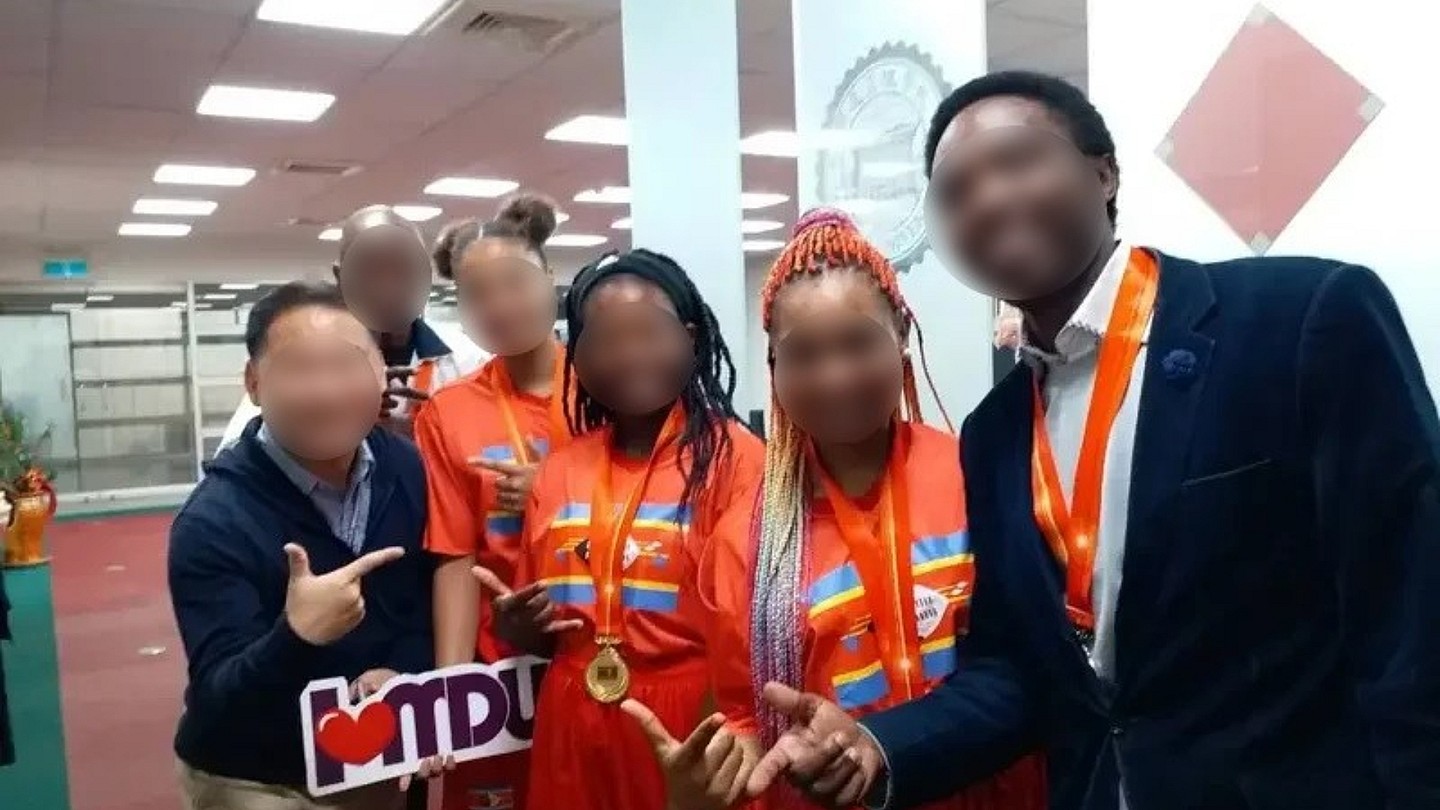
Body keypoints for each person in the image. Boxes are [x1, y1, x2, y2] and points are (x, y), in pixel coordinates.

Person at [750, 71, 1440, 810]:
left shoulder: (1297, 321)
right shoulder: (995, 434)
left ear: (1104, 173)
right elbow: (1020, 670)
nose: (987, 198)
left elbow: (1413, 609)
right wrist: (881, 745)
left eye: (1016, 160)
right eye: (955, 192)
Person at [622, 209, 1044, 810]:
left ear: (901, 335)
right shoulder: (746, 542)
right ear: (774, 366)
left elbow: (1034, 656)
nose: (835, 376)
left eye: (858, 342)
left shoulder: (977, 474)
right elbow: (748, 717)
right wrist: (707, 784)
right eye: (803, 353)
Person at [472, 249, 766, 810]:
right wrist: (518, 628)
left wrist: (722, 734)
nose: (629, 353)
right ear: (577, 356)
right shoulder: (560, 470)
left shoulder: (738, 461)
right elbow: (549, 629)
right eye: (606, 339)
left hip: (694, 714)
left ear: (689, 338)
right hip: (571, 713)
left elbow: (751, 632)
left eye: (648, 332)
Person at [169, 282, 440, 810]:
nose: (327, 391)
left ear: (381, 373)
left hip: (379, 755)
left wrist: (406, 673)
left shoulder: (405, 467)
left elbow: (421, 601)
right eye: (299, 368)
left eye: (346, 364)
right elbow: (221, 700)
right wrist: (297, 635)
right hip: (262, 776)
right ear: (254, 383)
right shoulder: (213, 520)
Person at [418, 193, 571, 810]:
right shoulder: (449, 412)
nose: (500, 305)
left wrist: (552, 488)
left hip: (604, 648)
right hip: (500, 667)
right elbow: (454, 554)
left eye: (515, 282)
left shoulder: (607, 387)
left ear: (550, 277)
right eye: (478, 294)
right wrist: (451, 689)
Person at [216, 205, 486, 453]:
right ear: (340, 276)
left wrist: (432, 432)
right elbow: (234, 452)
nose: (388, 286)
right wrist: (346, 415)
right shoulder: (304, 356)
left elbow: (493, 447)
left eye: (403, 268)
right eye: (369, 270)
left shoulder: (470, 359)